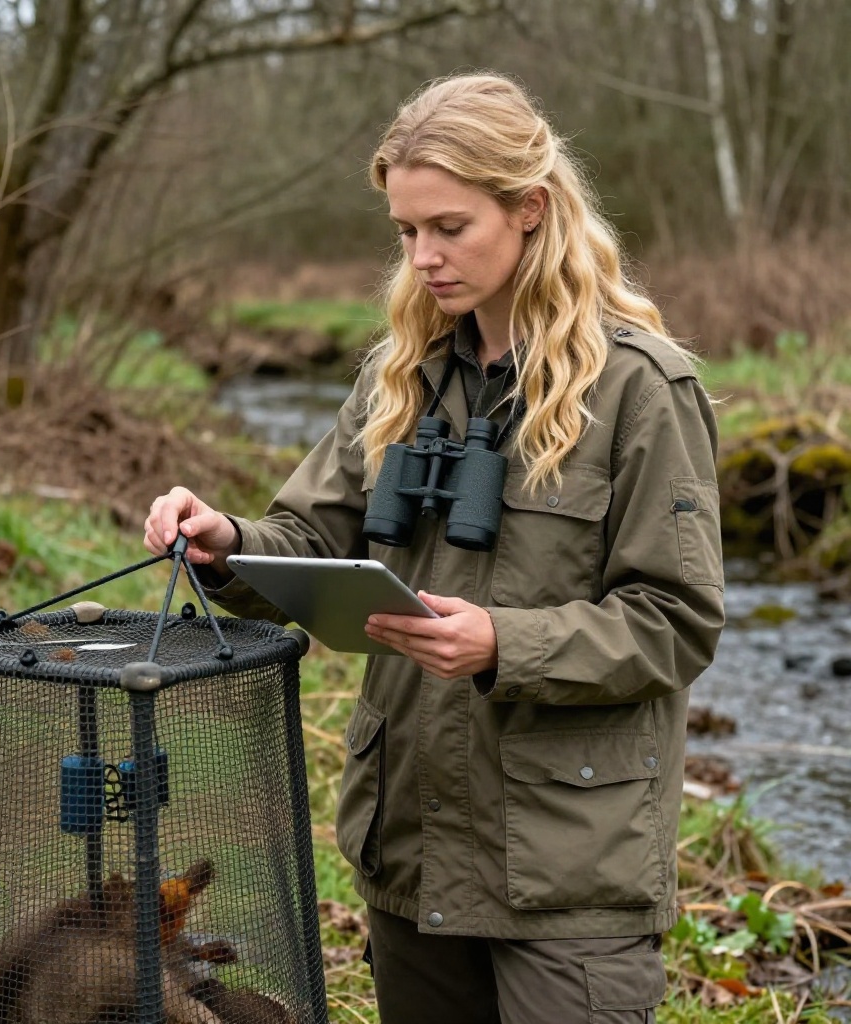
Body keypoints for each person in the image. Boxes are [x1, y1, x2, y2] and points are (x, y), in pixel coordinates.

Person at [144, 73, 724, 1024]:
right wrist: (224, 543)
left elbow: (676, 621)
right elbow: (311, 538)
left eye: (450, 228)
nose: (423, 258)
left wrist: (505, 643)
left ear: (530, 209)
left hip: (568, 871)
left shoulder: (642, 391)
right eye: (407, 232)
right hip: (409, 843)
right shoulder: (398, 377)